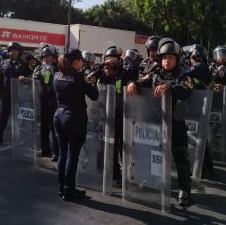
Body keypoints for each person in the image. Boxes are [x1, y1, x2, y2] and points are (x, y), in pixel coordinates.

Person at [127, 38, 195, 207]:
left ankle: (184, 190)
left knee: (180, 156)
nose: (166, 61)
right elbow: (143, 81)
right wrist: (132, 84)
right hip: (156, 122)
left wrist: (169, 88)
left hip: (175, 122)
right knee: (153, 154)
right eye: (164, 57)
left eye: (170, 58)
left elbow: (185, 91)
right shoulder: (156, 73)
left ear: (177, 59)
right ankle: (152, 182)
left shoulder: (184, 75)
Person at [53, 49, 99, 201]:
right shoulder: (79, 77)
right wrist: (93, 81)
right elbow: (94, 95)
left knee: (62, 154)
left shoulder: (57, 75)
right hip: (74, 118)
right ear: (76, 61)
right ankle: (69, 190)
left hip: (59, 115)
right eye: (81, 60)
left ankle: (61, 187)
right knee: (72, 156)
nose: (82, 63)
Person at [88, 45, 133, 186]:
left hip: (122, 116)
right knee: (107, 145)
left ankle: (126, 175)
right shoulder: (102, 73)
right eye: (106, 61)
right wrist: (104, 64)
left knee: (122, 147)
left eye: (111, 62)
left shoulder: (124, 74)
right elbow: (90, 75)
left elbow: (133, 73)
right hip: (105, 115)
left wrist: (131, 83)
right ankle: (111, 173)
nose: (108, 66)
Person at [0, 42, 30, 144]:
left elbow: (29, 77)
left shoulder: (24, 64)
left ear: (19, 52)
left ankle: (21, 139)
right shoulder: (5, 62)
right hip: (6, 94)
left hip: (18, 95)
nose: (14, 52)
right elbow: (0, 77)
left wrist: (25, 78)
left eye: (16, 50)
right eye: (12, 50)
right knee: (3, 116)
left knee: (20, 117)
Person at [33, 44, 59, 161]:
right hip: (42, 100)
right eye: (45, 56)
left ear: (53, 57)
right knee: (43, 127)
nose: (47, 58)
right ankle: (45, 150)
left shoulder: (58, 68)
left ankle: (57, 152)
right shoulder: (38, 68)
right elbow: (32, 81)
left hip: (54, 101)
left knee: (54, 129)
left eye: (49, 56)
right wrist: (35, 78)